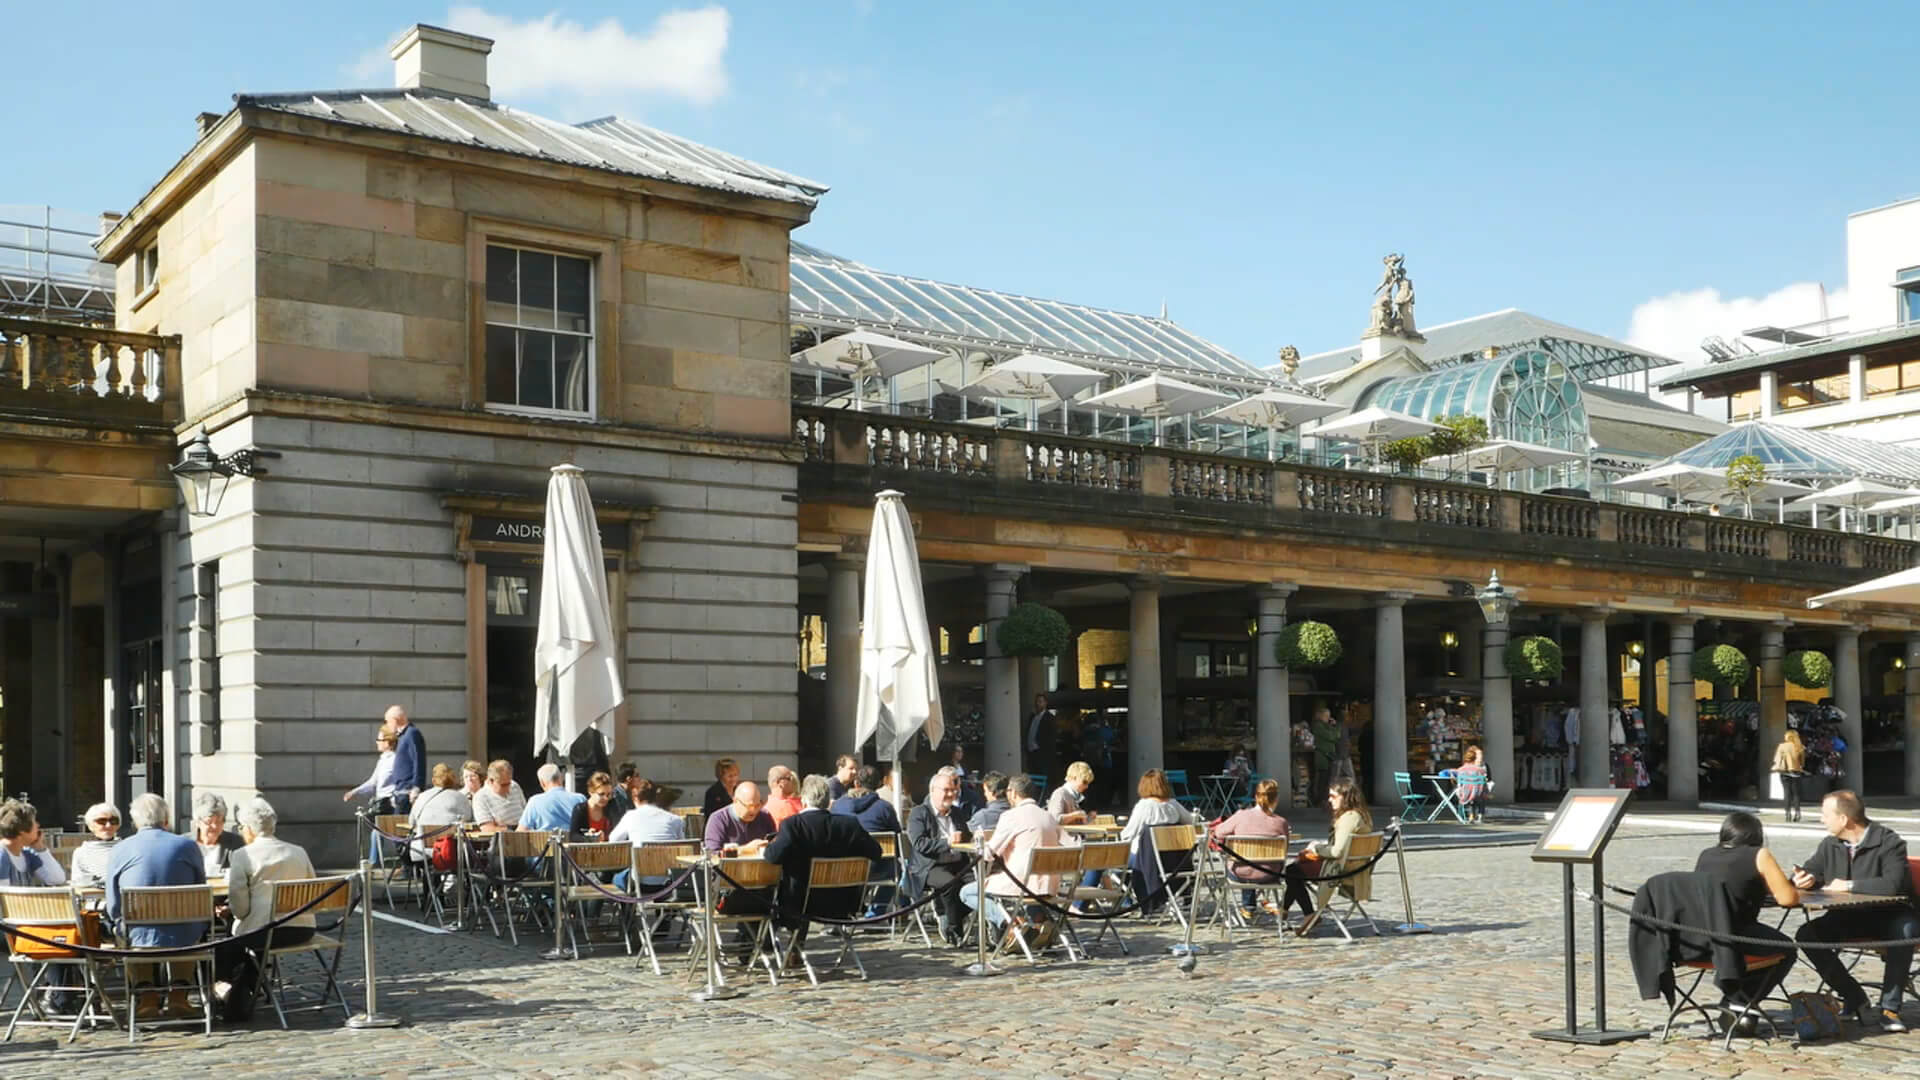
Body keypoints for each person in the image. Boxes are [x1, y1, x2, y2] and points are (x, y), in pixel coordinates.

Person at [1791, 790, 1920, 1032]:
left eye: (1825, 814)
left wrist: (1849, 886)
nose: (1821, 820)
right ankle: (1854, 997)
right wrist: (1803, 879)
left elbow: (1893, 884)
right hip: (1848, 916)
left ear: (1844, 819)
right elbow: (1813, 870)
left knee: (1906, 930)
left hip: (1890, 914)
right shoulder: (1829, 844)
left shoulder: (1889, 842)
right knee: (1807, 935)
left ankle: (1890, 1008)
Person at [106, 795, 207, 1018]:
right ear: (166, 818)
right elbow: (201, 888)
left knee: (127, 929)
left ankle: (147, 997)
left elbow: (113, 905)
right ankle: (179, 995)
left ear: (135, 821)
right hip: (184, 934)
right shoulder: (187, 845)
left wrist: (116, 920)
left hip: (139, 933)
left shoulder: (121, 849)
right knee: (191, 925)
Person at [763, 774, 883, 963]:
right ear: (828, 801)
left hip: (800, 904)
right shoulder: (848, 825)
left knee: (777, 896)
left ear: (803, 799)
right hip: (843, 903)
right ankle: (795, 950)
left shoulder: (793, 825)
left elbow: (771, 857)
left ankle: (789, 950)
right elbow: (876, 852)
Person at [215, 797, 316, 1014]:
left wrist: (230, 912)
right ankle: (247, 988)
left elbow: (240, 910)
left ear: (249, 829)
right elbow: (313, 893)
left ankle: (230, 990)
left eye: (241, 827)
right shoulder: (299, 851)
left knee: (229, 946)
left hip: (264, 932)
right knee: (251, 942)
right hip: (303, 929)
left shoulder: (244, 855)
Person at [1693, 811, 1798, 1020]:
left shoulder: (1706, 854)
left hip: (1698, 939)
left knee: (1766, 945)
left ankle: (1734, 992)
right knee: (1787, 949)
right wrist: (1792, 884)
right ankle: (1740, 1001)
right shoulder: (1759, 855)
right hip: (1733, 935)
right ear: (1756, 836)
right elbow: (1788, 899)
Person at [962, 774, 1074, 949]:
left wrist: (979, 844)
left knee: (968, 892)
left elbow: (990, 853)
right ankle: (1041, 921)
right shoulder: (1049, 817)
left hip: (1020, 883)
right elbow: (1068, 845)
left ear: (1013, 793)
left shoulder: (1011, 817)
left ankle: (1011, 923)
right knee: (1028, 889)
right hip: (1049, 884)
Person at [1282, 777, 1374, 927]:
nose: (1329, 800)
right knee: (1297, 867)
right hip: (1354, 866)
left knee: (1292, 871)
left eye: (1333, 796)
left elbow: (1337, 851)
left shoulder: (1348, 818)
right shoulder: (1362, 815)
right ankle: (1284, 910)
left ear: (1345, 797)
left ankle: (1307, 914)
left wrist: (1317, 849)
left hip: (1341, 869)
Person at [905, 770, 973, 944]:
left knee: (980, 885)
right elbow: (919, 843)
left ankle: (949, 912)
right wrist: (947, 842)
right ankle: (953, 927)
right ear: (932, 791)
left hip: (958, 863)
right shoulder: (919, 813)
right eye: (946, 790)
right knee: (951, 884)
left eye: (953, 790)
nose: (951, 794)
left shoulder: (956, 813)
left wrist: (973, 837)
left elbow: (965, 837)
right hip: (929, 866)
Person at [1212, 778, 1290, 917]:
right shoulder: (1281, 822)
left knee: (1244, 864)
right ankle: (1256, 904)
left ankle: (1249, 906)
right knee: (1254, 864)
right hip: (1270, 873)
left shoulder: (1241, 816)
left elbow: (1218, 832)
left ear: (1255, 796)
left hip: (1240, 872)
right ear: (1276, 798)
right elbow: (1285, 849)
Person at [408, 762, 475, 863]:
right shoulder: (460, 797)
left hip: (422, 851)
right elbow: (468, 820)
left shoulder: (422, 797)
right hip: (451, 851)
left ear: (433, 779)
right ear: (453, 779)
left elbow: (411, 822)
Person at [0, 799, 65, 886]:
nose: (38, 825)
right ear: (21, 830)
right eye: (34, 822)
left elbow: (57, 879)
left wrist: (40, 848)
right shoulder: (2, 855)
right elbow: (3, 894)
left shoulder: (28, 854)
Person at [703, 781, 774, 854]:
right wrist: (745, 850)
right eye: (749, 806)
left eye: (757, 805)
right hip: (730, 865)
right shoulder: (718, 819)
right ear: (736, 801)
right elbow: (712, 854)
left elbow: (775, 846)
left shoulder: (764, 816)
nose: (754, 811)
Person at [831, 764, 903, 834]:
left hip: (843, 846)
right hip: (875, 846)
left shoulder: (837, 806)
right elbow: (897, 835)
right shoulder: (885, 808)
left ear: (856, 783)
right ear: (878, 784)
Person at [343, 725, 399, 810]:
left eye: (379, 740)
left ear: (387, 742)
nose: (377, 742)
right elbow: (373, 782)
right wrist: (354, 792)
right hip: (382, 803)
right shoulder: (383, 759)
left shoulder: (396, 760)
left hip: (391, 806)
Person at [192, 791, 246, 877]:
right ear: (197, 822)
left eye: (219, 821)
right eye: (209, 822)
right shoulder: (185, 843)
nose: (214, 826)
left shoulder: (236, 843)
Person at [70, 801, 122, 890]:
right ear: (91, 825)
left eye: (113, 821)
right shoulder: (82, 852)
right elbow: (78, 883)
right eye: (102, 821)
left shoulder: (127, 848)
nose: (108, 825)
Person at [520, 762, 585, 833]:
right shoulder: (580, 798)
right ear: (561, 778)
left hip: (545, 842)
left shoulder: (535, 801)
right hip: (575, 842)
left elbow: (521, 831)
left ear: (542, 783)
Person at [385, 704, 426, 813]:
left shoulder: (412, 733)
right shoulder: (402, 736)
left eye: (388, 721)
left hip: (408, 792)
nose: (387, 725)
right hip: (400, 791)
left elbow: (418, 760)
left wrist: (417, 786)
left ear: (395, 720)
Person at [473, 760, 527, 832]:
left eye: (509, 783)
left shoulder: (514, 786)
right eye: (503, 785)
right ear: (491, 781)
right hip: (501, 839)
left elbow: (526, 813)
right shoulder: (480, 797)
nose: (508, 788)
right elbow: (487, 829)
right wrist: (513, 831)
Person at [569, 771, 624, 840]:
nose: (606, 798)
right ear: (591, 792)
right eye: (601, 794)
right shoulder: (580, 809)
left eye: (608, 794)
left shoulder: (612, 807)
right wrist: (588, 838)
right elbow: (573, 836)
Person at [1772, 730, 1807, 823]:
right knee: (1796, 794)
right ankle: (1797, 813)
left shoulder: (1782, 746)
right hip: (1796, 772)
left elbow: (1777, 759)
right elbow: (1802, 762)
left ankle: (1787, 813)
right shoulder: (1800, 747)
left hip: (1784, 772)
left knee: (1787, 792)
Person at [1309, 707, 1342, 806]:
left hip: (1328, 756)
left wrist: (1334, 727)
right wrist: (1335, 730)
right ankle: (1319, 800)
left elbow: (1337, 736)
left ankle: (1323, 799)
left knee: (1327, 779)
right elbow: (1332, 736)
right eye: (1326, 716)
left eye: (1328, 716)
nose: (1328, 718)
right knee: (1322, 780)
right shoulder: (1318, 726)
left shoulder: (1327, 726)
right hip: (1322, 756)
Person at [1454, 747, 1490, 825]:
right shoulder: (1481, 770)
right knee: (1480, 793)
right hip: (1478, 793)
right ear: (1475, 758)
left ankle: (1471, 815)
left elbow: (1458, 782)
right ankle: (1480, 815)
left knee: (1471, 794)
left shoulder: (1461, 769)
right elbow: (1486, 781)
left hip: (1464, 794)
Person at [1026, 693, 1056, 777]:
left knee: (1042, 775)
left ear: (1045, 703)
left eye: (1040, 701)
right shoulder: (1032, 717)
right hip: (1031, 752)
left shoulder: (1049, 717)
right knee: (1032, 775)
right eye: (1036, 702)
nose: (1038, 704)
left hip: (1042, 752)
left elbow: (1051, 736)